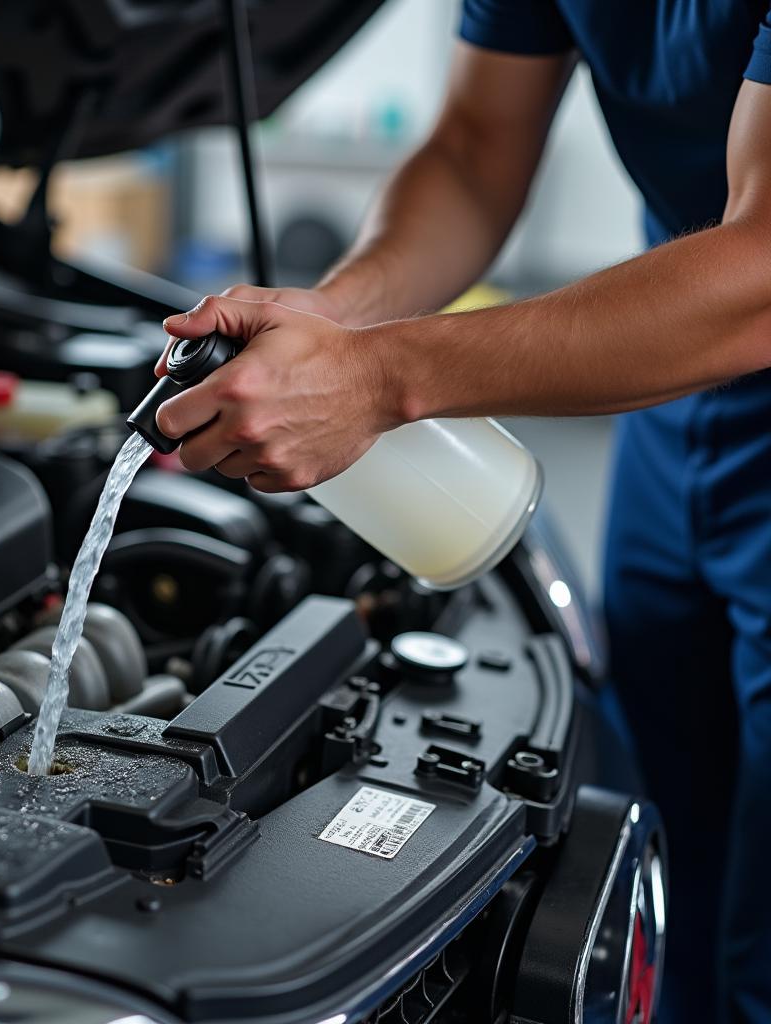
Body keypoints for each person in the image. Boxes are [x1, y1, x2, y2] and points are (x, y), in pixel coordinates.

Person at [153, 2, 771, 1019]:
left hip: (725, 321)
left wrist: (382, 377)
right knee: (663, 840)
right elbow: (477, 148)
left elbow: (758, 273)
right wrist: (334, 319)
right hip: (674, 397)